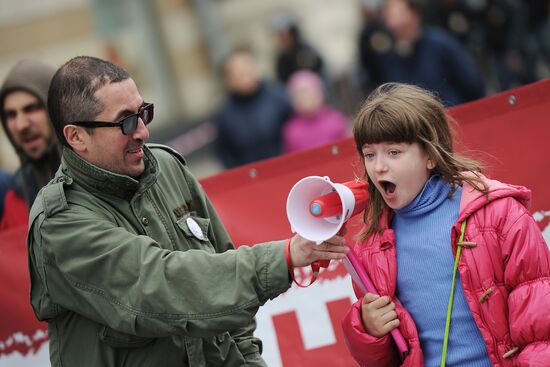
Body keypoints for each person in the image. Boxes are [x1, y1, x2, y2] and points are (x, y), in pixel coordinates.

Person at [27, 55, 348, 367]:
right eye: (125, 121)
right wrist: (284, 257)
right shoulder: (58, 222)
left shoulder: (165, 166)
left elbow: (223, 273)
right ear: (77, 137)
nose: (142, 131)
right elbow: (162, 286)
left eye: (144, 113)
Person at [341, 83, 550, 366]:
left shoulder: (498, 214)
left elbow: (541, 332)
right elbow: (385, 359)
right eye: (370, 154)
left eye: (394, 153)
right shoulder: (372, 248)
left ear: (430, 155)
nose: (379, 167)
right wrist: (369, 329)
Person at [369, 0, 485, 106]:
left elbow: (472, 84)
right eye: (388, 15)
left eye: (397, 14)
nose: (392, 23)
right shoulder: (391, 60)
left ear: (415, 14)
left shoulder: (440, 44)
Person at [0, 59, 60, 230]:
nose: (21, 125)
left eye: (31, 108)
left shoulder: (100, 175)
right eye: (11, 114)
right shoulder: (14, 200)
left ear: (56, 108)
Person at [214, 48, 292, 168]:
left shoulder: (278, 98)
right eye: (238, 72)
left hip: (286, 169)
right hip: (251, 179)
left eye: (247, 67)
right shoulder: (225, 115)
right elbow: (225, 153)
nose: (245, 74)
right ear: (228, 79)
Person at [282, 70, 348, 153]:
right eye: (300, 95)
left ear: (320, 93)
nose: (306, 98)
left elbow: (347, 151)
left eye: (310, 92)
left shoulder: (336, 120)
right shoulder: (291, 131)